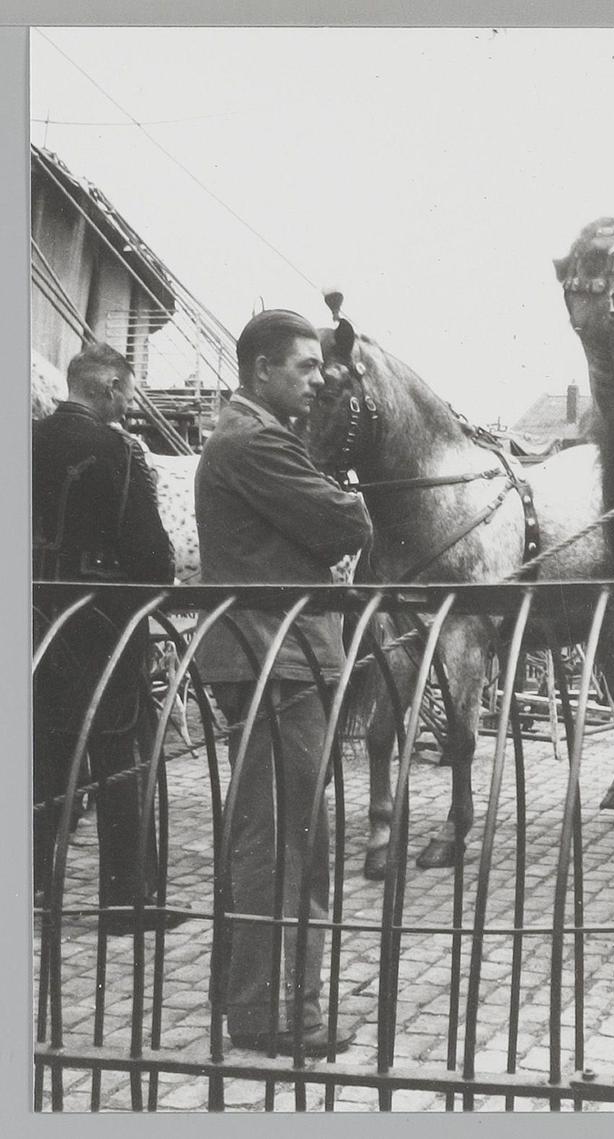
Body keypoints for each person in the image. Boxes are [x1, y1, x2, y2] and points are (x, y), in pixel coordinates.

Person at [194, 309, 372, 1057]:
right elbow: (345, 524)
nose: (319, 379)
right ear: (262, 370)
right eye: (304, 366)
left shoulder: (253, 436)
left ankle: (255, 997)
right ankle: (273, 1014)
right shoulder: (257, 441)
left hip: (278, 656)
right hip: (276, 659)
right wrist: (350, 504)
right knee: (283, 840)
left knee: (280, 833)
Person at [32, 342, 184, 936]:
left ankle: (30, 888)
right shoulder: (120, 450)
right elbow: (151, 556)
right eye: (126, 393)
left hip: (34, 622)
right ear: (109, 389)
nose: (128, 405)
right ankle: (126, 901)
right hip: (105, 627)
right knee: (123, 754)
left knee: (41, 754)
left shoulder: (26, 441)